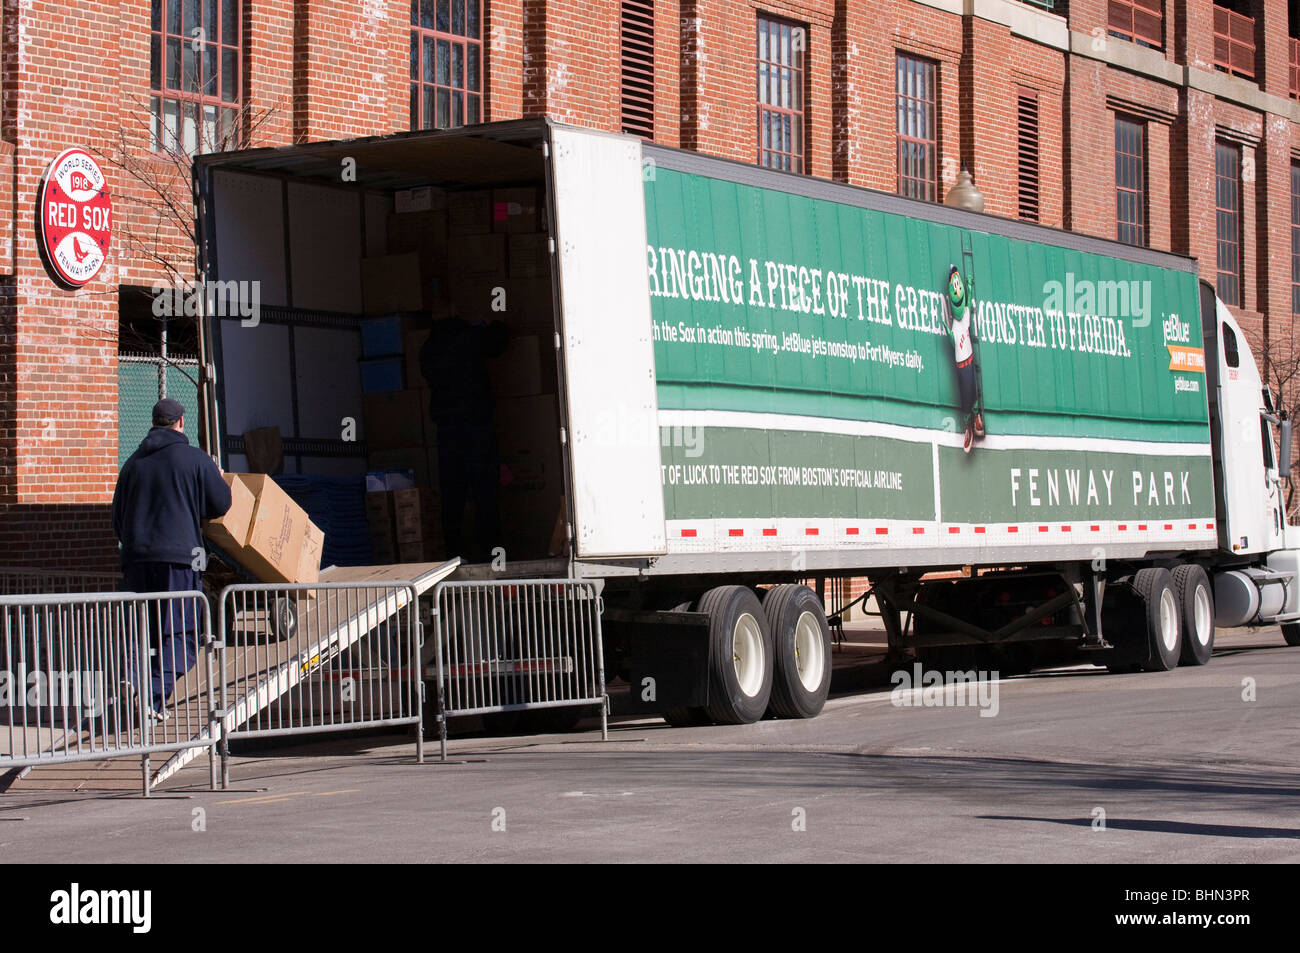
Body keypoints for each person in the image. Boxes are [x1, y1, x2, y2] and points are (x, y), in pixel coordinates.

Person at [111, 398, 231, 722]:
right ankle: (151, 695)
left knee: (141, 631)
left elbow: (117, 519)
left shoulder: (132, 464)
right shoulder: (195, 460)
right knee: (182, 633)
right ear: (181, 423)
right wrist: (215, 477)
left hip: (135, 558)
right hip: (181, 559)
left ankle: (134, 682)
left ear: (154, 423)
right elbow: (221, 504)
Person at [419, 316, 508, 563]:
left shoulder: (430, 350)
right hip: (477, 428)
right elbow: (499, 342)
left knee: (452, 497)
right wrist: (491, 325)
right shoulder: (470, 338)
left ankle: (454, 556)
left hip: (447, 433)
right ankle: (493, 554)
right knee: (485, 494)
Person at [941, 264, 984, 453]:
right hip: (960, 364)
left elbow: (966, 304)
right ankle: (968, 425)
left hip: (968, 359)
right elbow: (952, 339)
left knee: (973, 390)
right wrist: (947, 330)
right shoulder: (954, 323)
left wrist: (969, 285)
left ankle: (976, 417)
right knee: (965, 394)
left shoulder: (965, 316)